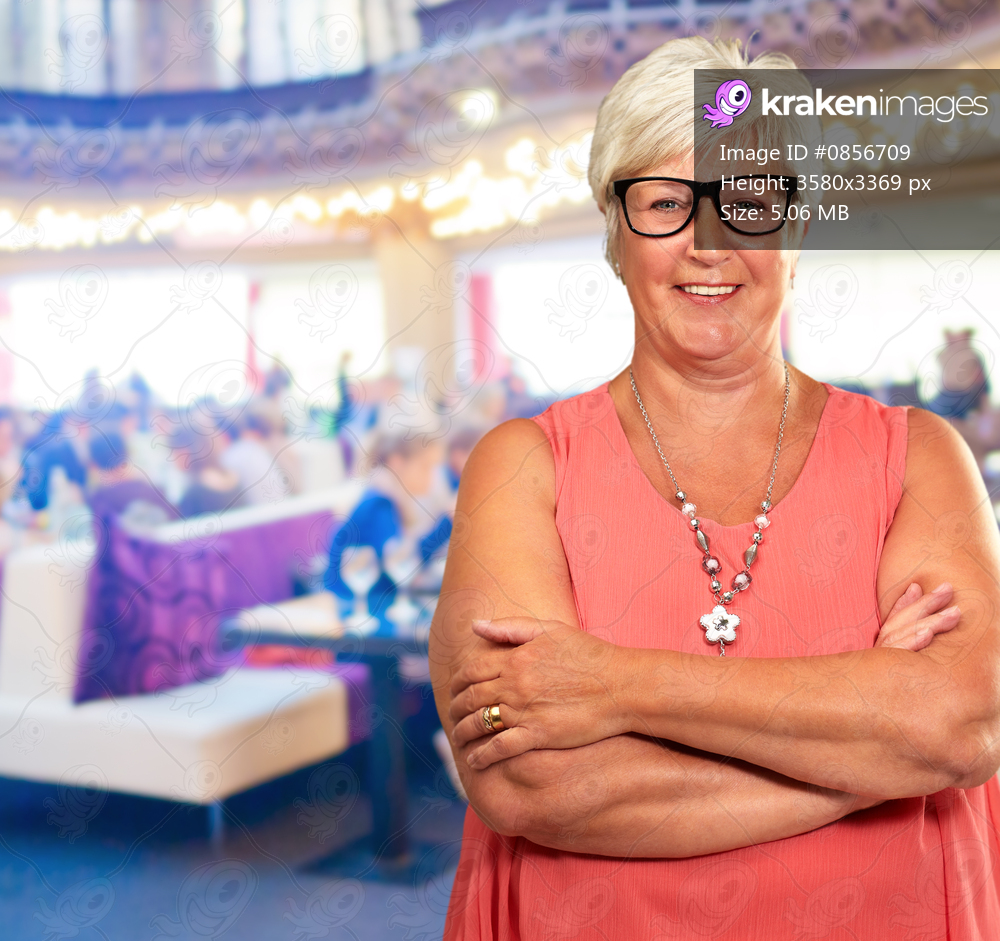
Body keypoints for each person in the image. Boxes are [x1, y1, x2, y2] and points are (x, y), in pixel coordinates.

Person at [431, 37, 1000, 940]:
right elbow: (528, 780)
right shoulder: (520, 465)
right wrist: (877, 755)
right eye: (665, 203)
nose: (708, 242)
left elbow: (961, 726)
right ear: (616, 234)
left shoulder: (920, 456)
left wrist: (612, 683)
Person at [325, 433, 452, 620]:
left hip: (366, 607)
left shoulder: (383, 494)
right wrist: (448, 523)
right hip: (354, 612)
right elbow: (400, 562)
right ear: (397, 463)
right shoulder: (380, 504)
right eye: (425, 467)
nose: (432, 478)